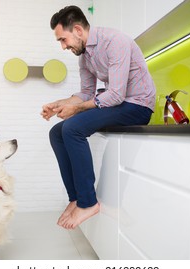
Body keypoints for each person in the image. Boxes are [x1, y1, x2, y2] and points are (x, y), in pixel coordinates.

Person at [41, 5, 156, 229]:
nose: (63, 46)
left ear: (77, 30)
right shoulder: (84, 57)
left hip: (138, 105)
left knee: (72, 129)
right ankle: (75, 197)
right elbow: (85, 94)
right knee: (56, 132)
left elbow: (115, 94)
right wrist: (60, 104)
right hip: (120, 104)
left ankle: (88, 203)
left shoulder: (115, 42)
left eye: (63, 40)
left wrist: (77, 110)